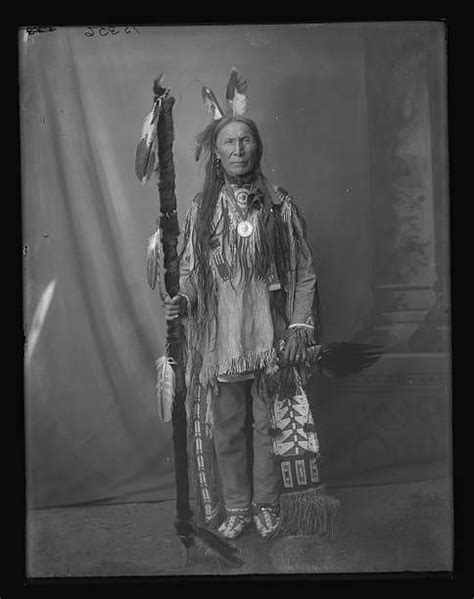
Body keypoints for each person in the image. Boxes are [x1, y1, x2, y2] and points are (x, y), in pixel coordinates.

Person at [164, 86, 319, 541]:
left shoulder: (278, 205)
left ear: (257, 148)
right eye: (228, 142)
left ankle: (267, 505)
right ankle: (236, 507)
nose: (238, 149)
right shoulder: (202, 211)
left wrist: (296, 327)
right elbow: (191, 273)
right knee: (227, 428)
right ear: (216, 153)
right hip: (223, 341)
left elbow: (303, 271)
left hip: (269, 336)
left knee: (268, 424)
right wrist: (184, 301)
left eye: (245, 140)